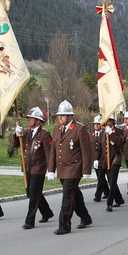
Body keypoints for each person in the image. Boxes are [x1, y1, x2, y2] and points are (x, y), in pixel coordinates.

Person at [47, 100, 93, 235]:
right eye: (59, 115)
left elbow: (86, 151)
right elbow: (53, 151)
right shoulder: (57, 129)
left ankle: (64, 225)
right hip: (62, 169)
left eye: (63, 115)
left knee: (67, 197)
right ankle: (85, 217)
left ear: (70, 116)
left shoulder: (79, 129)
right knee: (75, 195)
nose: (60, 117)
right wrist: (51, 169)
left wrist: (86, 170)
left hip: (74, 169)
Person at [13, 107, 54, 229]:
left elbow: (49, 153)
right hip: (27, 168)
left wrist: (50, 170)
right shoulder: (26, 133)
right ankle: (47, 212)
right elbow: (16, 145)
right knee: (33, 193)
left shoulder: (44, 134)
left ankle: (30, 220)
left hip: (38, 168)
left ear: (37, 120)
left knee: (34, 195)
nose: (28, 120)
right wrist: (17, 134)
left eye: (30, 118)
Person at [90, 116, 109, 202]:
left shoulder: (104, 134)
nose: (97, 126)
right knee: (100, 178)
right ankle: (107, 192)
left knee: (101, 178)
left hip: (102, 159)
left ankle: (98, 195)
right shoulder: (91, 135)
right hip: (94, 160)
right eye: (95, 124)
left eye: (98, 124)